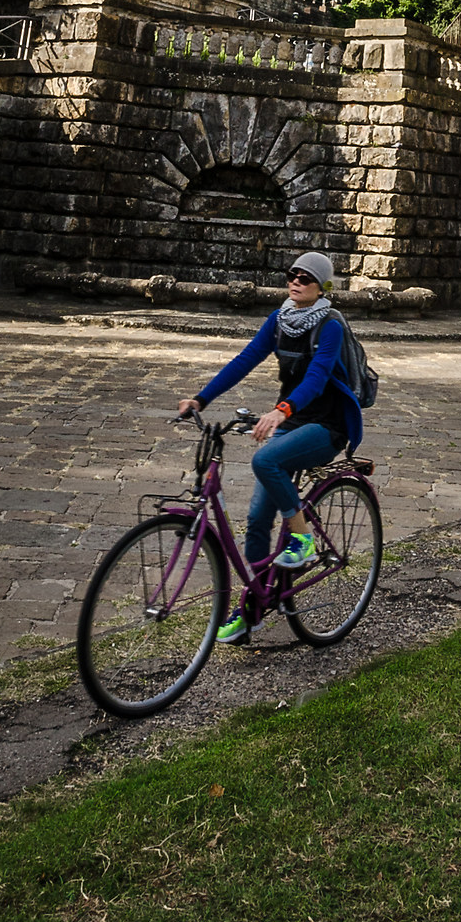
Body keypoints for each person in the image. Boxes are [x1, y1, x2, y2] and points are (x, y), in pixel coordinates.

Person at [178, 250, 360, 646]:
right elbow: (245, 360)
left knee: (265, 460)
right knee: (257, 520)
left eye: (306, 278)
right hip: (291, 421)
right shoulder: (280, 319)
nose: (296, 281)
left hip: (326, 426)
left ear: (322, 287)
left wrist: (282, 410)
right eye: (292, 274)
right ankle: (254, 605)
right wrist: (201, 399)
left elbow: (317, 377)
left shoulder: (330, 325)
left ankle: (303, 539)